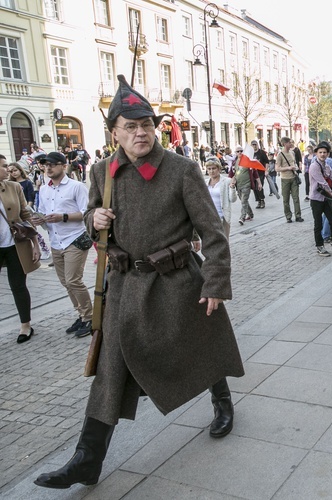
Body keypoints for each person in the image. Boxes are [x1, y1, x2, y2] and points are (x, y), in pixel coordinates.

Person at [34, 75, 244, 489]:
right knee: (110, 370)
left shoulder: (182, 169)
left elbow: (214, 230)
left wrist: (215, 283)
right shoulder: (101, 172)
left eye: (146, 124)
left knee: (200, 344)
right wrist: (94, 221)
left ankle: (222, 402)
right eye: (130, 126)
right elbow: (97, 226)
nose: (141, 132)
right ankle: (86, 459)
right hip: (125, 287)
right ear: (114, 132)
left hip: (177, 281)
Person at [32, 151, 94, 338]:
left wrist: (63, 217)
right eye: (45, 165)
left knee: (73, 280)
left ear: (63, 166)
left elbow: (87, 212)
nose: (48, 168)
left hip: (74, 238)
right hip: (56, 240)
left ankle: (90, 318)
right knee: (66, 282)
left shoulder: (76, 187)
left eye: (52, 164)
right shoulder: (44, 189)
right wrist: (39, 219)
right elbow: (43, 212)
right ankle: (82, 314)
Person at [0, 155, 41, 343]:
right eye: (3, 166)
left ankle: (26, 325)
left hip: (15, 244)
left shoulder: (14, 187)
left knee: (18, 285)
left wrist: (35, 244)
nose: (7, 169)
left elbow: (25, 215)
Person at [309, 142, 332, 256]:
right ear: (316, 153)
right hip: (316, 199)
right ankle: (319, 246)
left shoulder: (327, 166)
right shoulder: (314, 166)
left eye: (324, 152)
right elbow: (323, 183)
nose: (322, 154)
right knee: (318, 223)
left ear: (328, 153)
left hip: (326, 199)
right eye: (320, 152)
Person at [205, 158, 236, 238]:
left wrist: (232, 187)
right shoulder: (205, 183)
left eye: (214, 168)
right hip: (209, 218)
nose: (211, 171)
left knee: (224, 243)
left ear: (219, 168)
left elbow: (233, 199)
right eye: (209, 169)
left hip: (222, 217)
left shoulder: (226, 181)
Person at [276, 137, 304, 223]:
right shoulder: (280, 155)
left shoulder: (292, 152)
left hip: (293, 177)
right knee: (286, 199)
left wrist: (295, 167)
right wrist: (288, 168)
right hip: (285, 179)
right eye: (289, 142)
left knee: (296, 198)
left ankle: (298, 216)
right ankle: (288, 216)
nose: (291, 144)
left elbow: (294, 162)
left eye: (291, 142)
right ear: (284, 144)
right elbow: (277, 168)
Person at [249, 140, 268, 208]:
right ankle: (258, 201)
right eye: (253, 145)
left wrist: (266, 170)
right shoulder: (250, 153)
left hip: (261, 172)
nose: (254, 146)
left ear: (257, 145)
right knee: (254, 187)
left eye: (255, 144)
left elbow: (266, 162)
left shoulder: (261, 152)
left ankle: (262, 200)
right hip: (253, 173)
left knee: (259, 186)